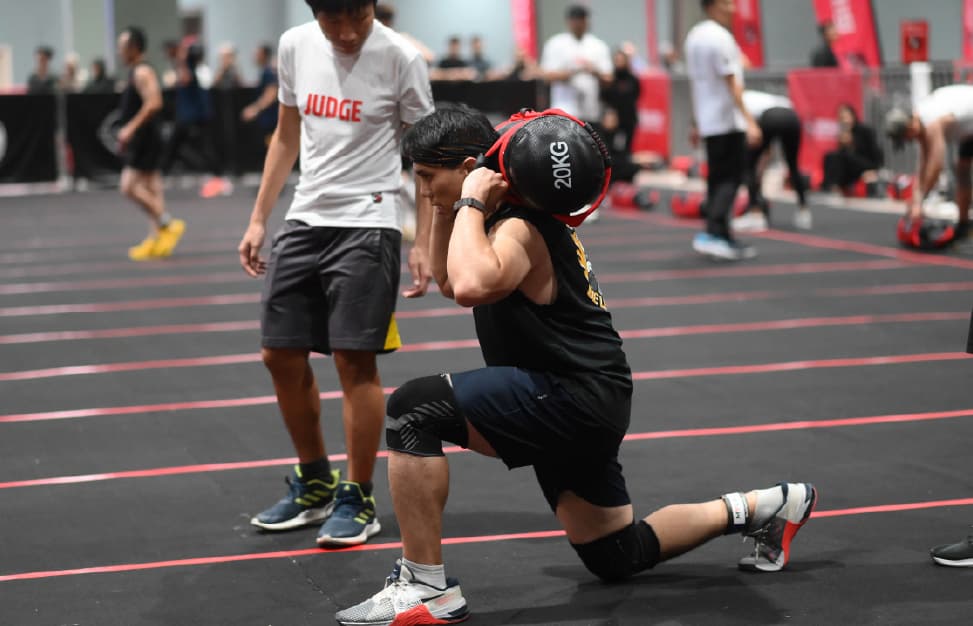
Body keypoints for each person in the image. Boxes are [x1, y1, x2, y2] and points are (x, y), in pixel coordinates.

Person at [335, 104, 817, 626]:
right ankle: (766, 506)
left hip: (571, 394)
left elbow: (470, 286)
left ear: (473, 169)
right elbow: (451, 280)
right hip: (585, 394)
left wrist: (469, 199)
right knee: (616, 553)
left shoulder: (520, 226)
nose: (423, 191)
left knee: (413, 410)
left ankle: (425, 588)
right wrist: (455, 206)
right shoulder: (502, 217)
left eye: (429, 177)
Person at [237, 0, 434, 547]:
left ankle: (357, 495)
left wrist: (425, 241)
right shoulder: (294, 45)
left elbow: (426, 157)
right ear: (314, 12)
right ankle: (315, 482)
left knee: (354, 361)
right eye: (333, 19)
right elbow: (286, 135)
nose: (347, 33)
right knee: (278, 353)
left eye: (358, 17)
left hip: (369, 222)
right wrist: (258, 218)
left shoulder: (401, 58)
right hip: (306, 216)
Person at [685, 0, 762, 260]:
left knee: (717, 180)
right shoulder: (720, 37)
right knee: (731, 179)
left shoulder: (694, 36)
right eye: (726, 3)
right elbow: (732, 82)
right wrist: (750, 121)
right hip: (727, 121)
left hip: (709, 122)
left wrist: (695, 121)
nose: (732, 9)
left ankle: (721, 234)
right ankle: (715, 233)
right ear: (712, 6)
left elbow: (697, 84)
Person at [116, 27, 186, 261]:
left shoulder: (142, 71)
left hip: (146, 139)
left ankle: (168, 223)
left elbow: (154, 102)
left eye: (122, 47)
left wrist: (130, 128)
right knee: (153, 188)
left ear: (134, 48)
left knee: (128, 187)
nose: (119, 51)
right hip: (146, 137)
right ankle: (156, 238)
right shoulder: (136, 71)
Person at [885, 84, 973, 247]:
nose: (910, 141)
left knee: (962, 170)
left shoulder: (932, 122)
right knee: (962, 171)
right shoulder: (922, 120)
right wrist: (916, 200)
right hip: (969, 131)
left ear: (911, 126)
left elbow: (936, 165)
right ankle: (964, 224)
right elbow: (923, 166)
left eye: (907, 137)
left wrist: (920, 200)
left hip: (969, 125)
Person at [159, 42, 232, 198]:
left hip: (192, 117)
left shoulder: (190, 69)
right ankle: (161, 176)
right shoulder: (189, 68)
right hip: (191, 117)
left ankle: (219, 179)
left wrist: (180, 60)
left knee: (201, 148)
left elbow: (184, 79)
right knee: (175, 148)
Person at [733, 89, 811, 232]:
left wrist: (758, 172)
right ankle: (803, 210)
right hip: (791, 116)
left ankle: (755, 214)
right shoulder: (758, 97)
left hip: (770, 117)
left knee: (749, 165)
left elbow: (752, 134)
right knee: (793, 165)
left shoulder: (739, 101)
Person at [540, 5, 612, 126]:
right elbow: (547, 77)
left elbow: (608, 78)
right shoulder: (555, 43)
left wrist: (594, 71)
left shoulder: (598, 45)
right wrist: (575, 71)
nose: (578, 24)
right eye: (575, 20)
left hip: (590, 112)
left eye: (581, 19)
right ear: (568, 21)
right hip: (564, 112)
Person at [821, 103, 883, 196]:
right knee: (830, 156)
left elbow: (876, 153)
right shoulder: (844, 132)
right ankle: (830, 185)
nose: (844, 120)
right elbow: (842, 155)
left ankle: (835, 186)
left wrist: (875, 170)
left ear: (853, 116)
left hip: (867, 163)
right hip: (851, 164)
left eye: (845, 117)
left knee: (843, 157)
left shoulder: (865, 131)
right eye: (841, 118)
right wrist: (844, 144)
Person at [240, 43, 279, 145]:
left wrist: (254, 109)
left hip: (271, 118)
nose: (254, 56)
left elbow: (271, 94)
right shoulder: (265, 71)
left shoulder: (269, 71)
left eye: (257, 53)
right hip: (268, 118)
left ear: (264, 55)